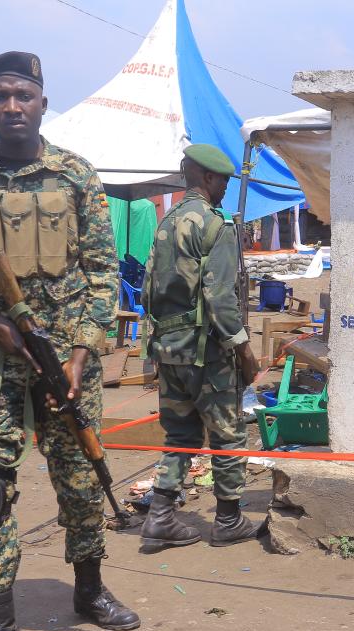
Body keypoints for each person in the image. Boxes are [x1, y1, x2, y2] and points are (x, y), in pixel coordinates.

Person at [0, 51, 139, 631]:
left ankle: (89, 588)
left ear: (43, 103)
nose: (12, 106)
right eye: (0, 96)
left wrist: (81, 353)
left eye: (23, 95)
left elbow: (103, 272)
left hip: (65, 357)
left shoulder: (75, 174)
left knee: (79, 478)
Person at [139, 144, 262, 552]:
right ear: (208, 178)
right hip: (206, 353)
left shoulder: (167, 221)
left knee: (179, 434)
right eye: (223, 181)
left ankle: (160, 516)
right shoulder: (215, 225)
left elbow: (147, 288)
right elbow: (220, 297)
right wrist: (243, 350)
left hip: (168, 350)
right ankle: (228, 520)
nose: (225, 188)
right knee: (228, 435)